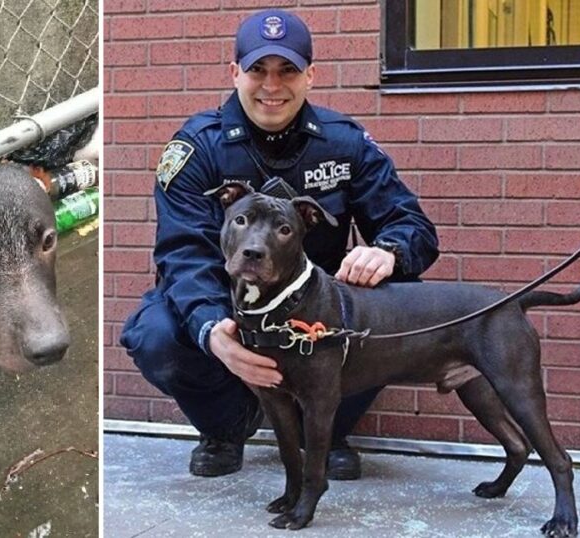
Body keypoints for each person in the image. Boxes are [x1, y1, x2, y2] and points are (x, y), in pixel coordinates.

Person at [120, 9, 439, 479]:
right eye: (257, 70)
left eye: (287, 70)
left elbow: (412, 225)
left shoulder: (343, 144)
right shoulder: (199, 148)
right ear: (235, 74)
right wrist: (212, 333)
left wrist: (388, 251)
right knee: (157, 335)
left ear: (310, 75)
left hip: (317, 315)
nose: (272, 85)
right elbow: (183, 256)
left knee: (396, 293)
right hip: (229, 306)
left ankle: (325, 432)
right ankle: (225, 428)